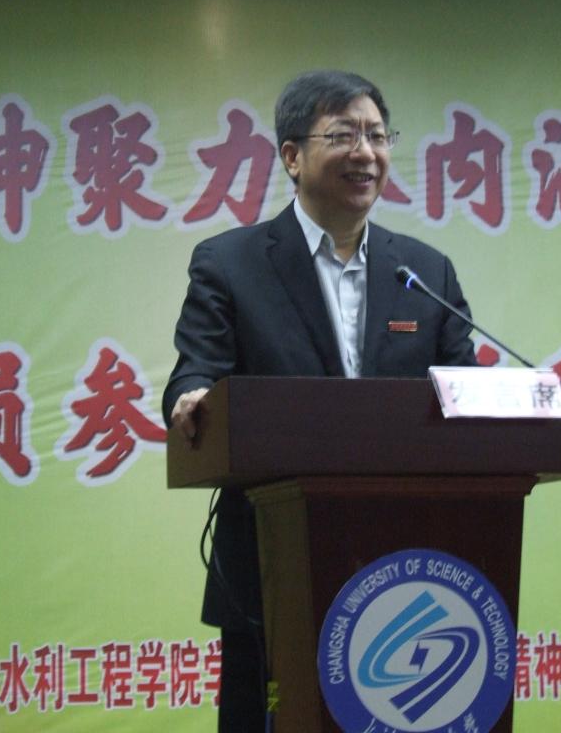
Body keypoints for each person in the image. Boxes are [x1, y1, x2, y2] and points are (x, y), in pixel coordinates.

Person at [162, 69, 477, 731]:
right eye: (343, 135)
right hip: (272, 567)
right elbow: (197, 371)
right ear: (292, 156)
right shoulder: (230, 263)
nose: (367, 152)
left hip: (410, 569)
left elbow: (464, 392)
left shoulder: (425, 272)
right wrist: (192, 395)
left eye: (378, 135)